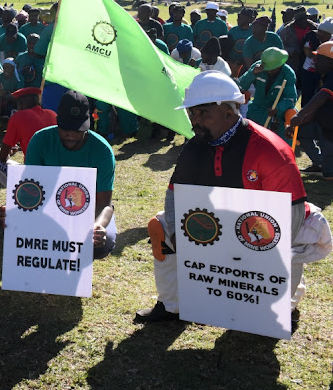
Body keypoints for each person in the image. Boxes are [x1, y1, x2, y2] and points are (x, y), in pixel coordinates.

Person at [135, 71, 331, 324]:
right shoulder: (195, 146)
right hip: (218, 222)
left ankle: (283, 307)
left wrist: (252, 250)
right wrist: (177, 233)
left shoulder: (270, 149)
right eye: (192, 113)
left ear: (229, 113)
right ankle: (173, 305)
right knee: (161, 228)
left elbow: (289, 213)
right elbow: (175, 195)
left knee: (284, 246)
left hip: (267, 225)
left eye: (202, 112)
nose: (195, 120)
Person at [24, 90, 117, 259]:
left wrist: (97, 226)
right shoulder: (40, 141)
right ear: (58, 122)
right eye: (66, 128)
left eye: (78, 129)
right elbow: (29, 192)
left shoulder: (103, 151)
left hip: (89, 211)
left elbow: (105, 205)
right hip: (47, 209)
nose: (71, 134)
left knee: (101, 243)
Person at [0, 87, 57, 186]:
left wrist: (9, 151)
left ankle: (19, 194)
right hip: (56, 172)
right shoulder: (52, 114)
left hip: (34, 174)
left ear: (20, 104)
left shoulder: (18, 117)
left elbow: (2, 156)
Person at [288, 41, 333, 177]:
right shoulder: (324, 76)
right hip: (323, 125)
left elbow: (322, 96)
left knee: (329, 175)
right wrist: (299, 121)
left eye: (318, 59)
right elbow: (319, 108)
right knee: (299, 130)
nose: (314, 62)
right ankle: (319, 163)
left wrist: (300, 114)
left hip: (330, 132)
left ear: (330, 62)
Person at [238, 47, 297, 143]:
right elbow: (241, 86)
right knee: (250, 136)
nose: (267, 71)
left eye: (270, 69)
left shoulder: (288, 74)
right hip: (258, 108)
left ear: (279, 66)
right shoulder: (258, 67)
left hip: (278, 112)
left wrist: (278, 108)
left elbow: (291, 99)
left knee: (280, 137)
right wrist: (252, 73)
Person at [300, 17, 333, 107]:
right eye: (318, 31)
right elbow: (308, 52)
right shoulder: (312, 37)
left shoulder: (331, 43)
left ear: (328, 34)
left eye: (321, 32)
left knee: (319, 95)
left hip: (324, 73)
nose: (318, 33)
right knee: (307, 94)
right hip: (309, 70)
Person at [278, 6, 317, 74]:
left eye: (304, 18)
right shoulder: (286, 31)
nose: (303, 20)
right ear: (295, 19)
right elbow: (280, 47)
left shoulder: (314, 28)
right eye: (300, 19)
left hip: (311, 63)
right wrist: (293, 51)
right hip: (294, 63)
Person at [227, 7, 256, 75]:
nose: (238, 19)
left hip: (246, 66)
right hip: (232, 64)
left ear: (249, 19)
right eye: (238, 16)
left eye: (241, 17)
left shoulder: (254, 31)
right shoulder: (233, 30)